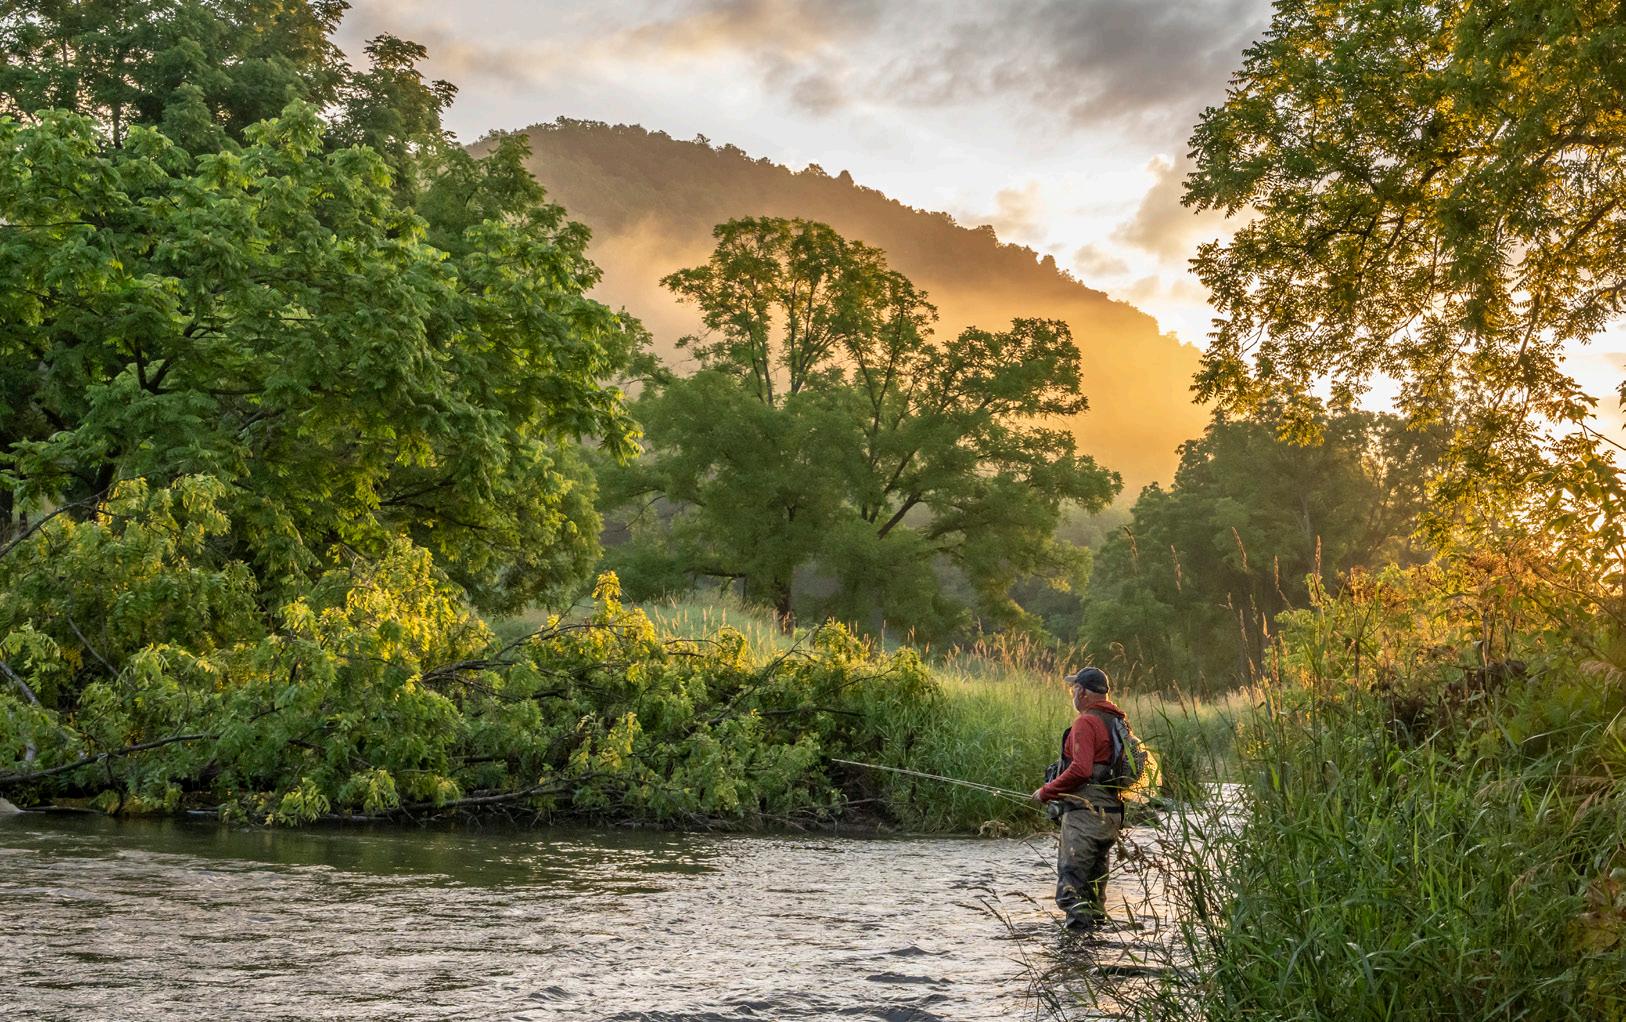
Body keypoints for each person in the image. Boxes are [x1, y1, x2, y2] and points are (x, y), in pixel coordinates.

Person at [1032, 666, 1129, 930]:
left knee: (1072, 891)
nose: (1073, 693)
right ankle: (1095, 954)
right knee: (1094, 894)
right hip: (1110, 816)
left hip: (1085, 817)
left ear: (1083, 692)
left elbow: (1081, 769)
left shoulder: (1086, 721)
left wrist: (1046, 791)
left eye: (1075, 688)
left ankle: (1075, 960)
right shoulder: (1117, 721)